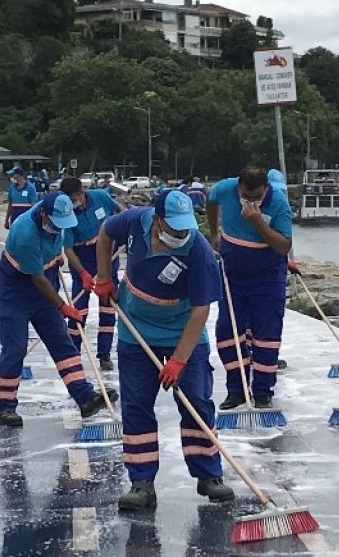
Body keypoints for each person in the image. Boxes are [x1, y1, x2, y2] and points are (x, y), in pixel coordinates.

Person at [93, 189, 234, 510]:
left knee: (197, 401)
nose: (181, 234)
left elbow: (201, 311)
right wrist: (105, 278)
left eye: (185, 228)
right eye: (175, 228)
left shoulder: (198, 251)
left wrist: (179, 361)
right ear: (156, 220)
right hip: (136, 330)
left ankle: (209, 475)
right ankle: (141, 482)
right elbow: (104, 234)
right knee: (137, 405)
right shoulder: (133, 221)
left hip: (183, 331)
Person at [0, 191, 118, 427]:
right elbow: (37, 280)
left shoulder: (58, 214)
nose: (59, 228)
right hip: (17, 289)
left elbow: (55, 254)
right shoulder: (25, 233)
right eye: (55, 224)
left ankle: (84, 397)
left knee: (62, 343)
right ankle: (5, 407)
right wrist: (63, 307)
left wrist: (56, 257)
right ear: (43, 214)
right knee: (16, 347)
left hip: (47, 278)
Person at [205, 167, 293, 410]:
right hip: (233, 273)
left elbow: (284, 246)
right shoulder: (225, 188)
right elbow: (210, 201)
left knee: (266, 333)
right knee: (228, 329)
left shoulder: (278, 204)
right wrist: (214, 233)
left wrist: (257, 222)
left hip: (267, 276)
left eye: (256, 198)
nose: (251, 201)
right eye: (246, 196)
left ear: (266, 189)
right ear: (238, 188)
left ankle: (263, 391)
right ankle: (237, 389)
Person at [57, 177, 124, 371]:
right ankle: (73, 355)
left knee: (108, 306)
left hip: (107, 254)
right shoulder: (67, 213)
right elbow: (68, 248)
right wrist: (83, 273)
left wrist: (129, 230)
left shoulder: (100, 197)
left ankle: (104, 354)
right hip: (82, 258)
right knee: (79, 310)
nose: (73, 202)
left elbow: (120, 210)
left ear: (81, 192)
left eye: (74, 198)